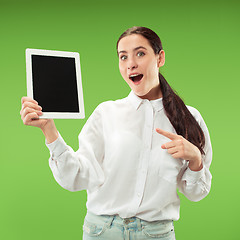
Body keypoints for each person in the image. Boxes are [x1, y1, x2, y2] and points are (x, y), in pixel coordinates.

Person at [20, 26, 212, 240]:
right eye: (123, 57)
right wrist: (49, 130)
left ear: (160, 58)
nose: (131, 64)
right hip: (102, 232)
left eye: (140, 53)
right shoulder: (106, 113)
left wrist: (195, 158)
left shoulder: (189, 118)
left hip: (156, 234)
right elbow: (75, 177)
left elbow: (197, 193)